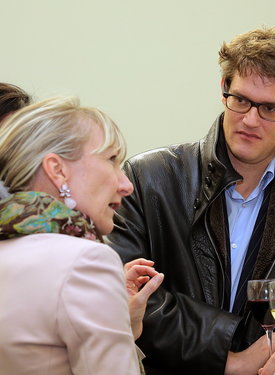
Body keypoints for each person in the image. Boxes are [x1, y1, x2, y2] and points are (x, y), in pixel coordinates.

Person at [107, 27, 275, 375]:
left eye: (270, 108)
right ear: (223, 89)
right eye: (241, 100)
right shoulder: (148, 178)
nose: (250, 120)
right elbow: (122, 293)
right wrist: (230, 361)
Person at [0, 96, 164, 375]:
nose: (125, 185)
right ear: (57, 170)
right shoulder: (87, 261)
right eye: (112, 160)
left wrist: (122, 324)